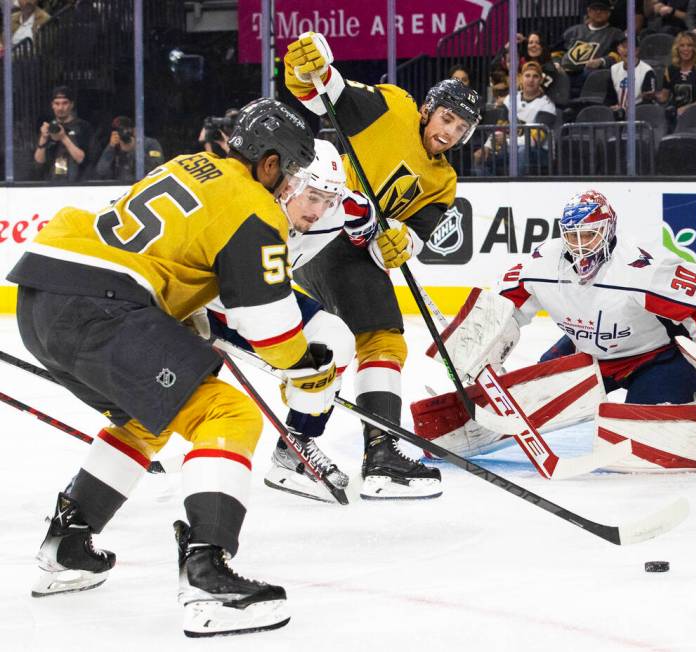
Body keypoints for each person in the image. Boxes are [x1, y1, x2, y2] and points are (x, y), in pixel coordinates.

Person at [7, 98, 331, 637]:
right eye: (293, 172)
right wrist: (306, 366)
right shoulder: (254, 206)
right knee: (227, 413)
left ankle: (68, 544)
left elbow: (167, 258)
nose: (294, 188)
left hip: (43, 296)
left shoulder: (189, 165)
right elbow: (271, 329)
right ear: (270, 164)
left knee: (146, 415)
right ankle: (208, 574)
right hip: (101, 305)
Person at [283, 31, 482, 499]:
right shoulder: (391, 108)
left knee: (340, 346)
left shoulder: (444, 180)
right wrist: (302, 68)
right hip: (328, 233)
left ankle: (299, 445)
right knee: (382, 338)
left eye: (461, 129)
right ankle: (380, 455)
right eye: (446, 118)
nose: (449, 132)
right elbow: (323, 92)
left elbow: (413, 236)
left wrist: (399, 243)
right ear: (427, 110)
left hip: (351, 249)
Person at [205, 138, 377, 502]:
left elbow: (362, 211)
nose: (319, 210)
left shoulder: (337, 207)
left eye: (327, 200)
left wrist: (373, 230)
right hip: (211, 302)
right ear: (289, 184)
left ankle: (294, 447)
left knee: (337, 341)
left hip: (268, 295)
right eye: (312, 196)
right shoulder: (249, 206)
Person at [503, 190, 696, 407]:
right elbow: (503, 307)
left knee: (648, 427)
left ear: (608, 230)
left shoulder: (640, 267)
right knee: (532, 400)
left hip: (657, 358)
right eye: (572, 236)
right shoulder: (544, 263)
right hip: (588, 354)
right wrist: (485, 353)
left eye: (588, 235)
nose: (580, 246)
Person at [473, 61, 556, 175]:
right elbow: (500, 128)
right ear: (521, 78)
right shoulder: (511, 99)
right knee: (481, 156)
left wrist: (506, 142)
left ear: (541, 80)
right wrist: (487, 147)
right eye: (527, 75)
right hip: (511, 148)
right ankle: (489, 191)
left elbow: (533, 141)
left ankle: (517, 187)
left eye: (535, 76)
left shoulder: (547, 106)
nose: (531, 80)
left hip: (540, 153)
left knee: (522, 151)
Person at [557, 1, 625, 96]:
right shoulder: (573, 31)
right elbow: (557, 51)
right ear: (588, 11)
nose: (598, 12)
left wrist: (601, 61)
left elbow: (619, 55)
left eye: (602, 9)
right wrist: (556, 62)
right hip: (564, 71)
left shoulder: (615, 34)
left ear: (609, 13)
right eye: (595, 9)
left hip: (589, 74)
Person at [33, 86, 92, 182]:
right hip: (51, 184)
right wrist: (43, 138)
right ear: (52, 105)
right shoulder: (47, 127)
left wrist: (64, 138)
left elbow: (83, 160)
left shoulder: (83, 127)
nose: (60, 108)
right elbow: (39, 163)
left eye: (65, 103)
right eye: (57, 103)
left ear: (71, 105)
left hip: (77, 185)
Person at [657, 32, 696, 117]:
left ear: (695, 48)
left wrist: (687, 108)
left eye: (689, 45)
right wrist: (652, 95)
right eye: (682, 45)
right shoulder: (671, 69)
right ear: (677, 48)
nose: (685, 49)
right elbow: (664, 97)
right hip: (676, 114)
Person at [94, 115, 165, 182]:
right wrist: (111, 147)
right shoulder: (115, 146)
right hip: (119, 187)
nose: (125, 133)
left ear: (134, 129)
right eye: (120, 130)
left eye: (127, 129)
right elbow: (101, 172)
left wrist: (134, 150)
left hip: (143, 186)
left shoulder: (150, 144)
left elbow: (156, 169)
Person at [606, 37, 657, 117]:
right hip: (617, 114)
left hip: (638, 115)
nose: (627, 51)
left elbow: (648, 101)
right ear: (618, 50)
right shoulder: (614, 69)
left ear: (637, 51)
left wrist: (627, 110)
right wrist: (610, 107)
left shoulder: (647, 71)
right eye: (624, 47)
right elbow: (609, 97)